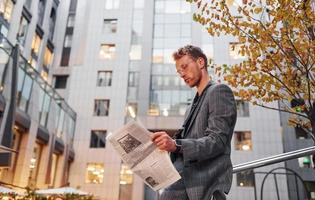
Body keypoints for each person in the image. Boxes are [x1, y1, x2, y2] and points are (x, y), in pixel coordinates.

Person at [152, 45, 237, 200]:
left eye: (184, 67)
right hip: (183, 181)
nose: (182, 74)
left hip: (199, 184)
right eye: (179, 72)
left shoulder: (219, 91)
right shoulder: (192, 104)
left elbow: (217, 141)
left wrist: (176, 145)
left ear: (200, 62)